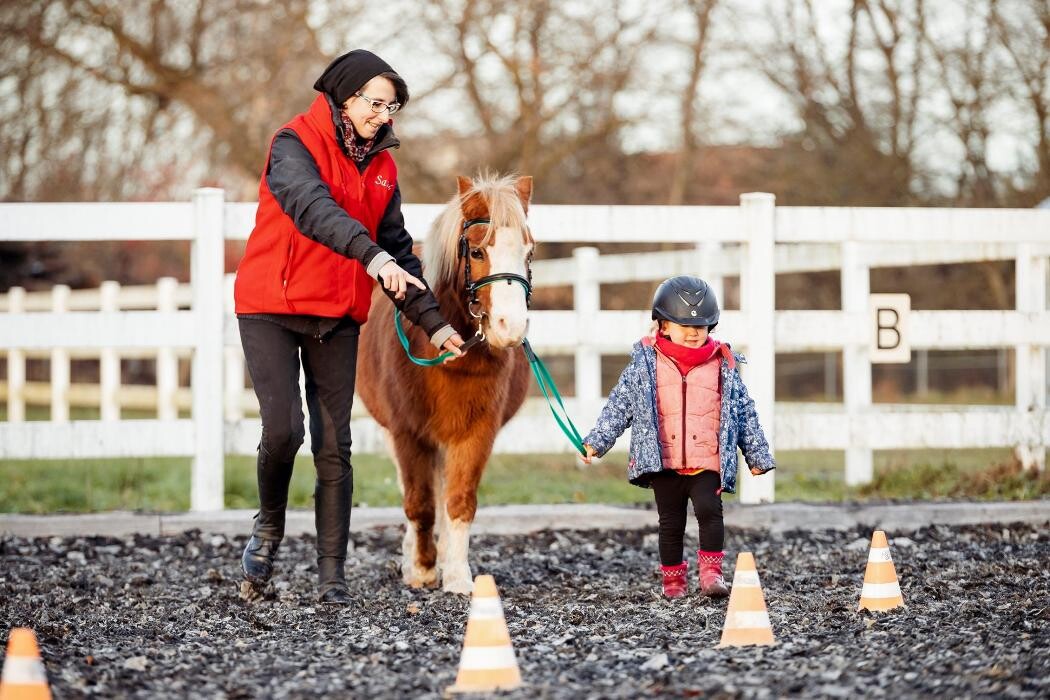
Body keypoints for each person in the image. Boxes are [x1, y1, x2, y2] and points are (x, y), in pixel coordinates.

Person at [232, 49, 465, 604]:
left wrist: (434, 323)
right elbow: (312, 208)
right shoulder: (292, 145)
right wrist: (371, 257)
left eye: (393, 107)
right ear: (343, 95)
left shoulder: (383, 166)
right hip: (272, 305)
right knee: (285, 430)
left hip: (336, 315)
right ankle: (268, 528)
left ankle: (331, 576)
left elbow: (398, 249)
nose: (384, 115)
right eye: (375, 102)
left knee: (335, 443)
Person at [580, 276, 774, 599]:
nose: (693, 331)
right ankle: (673, 582)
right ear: (663, 325)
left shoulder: (722, 364)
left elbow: (744, 410)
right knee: (670, 523)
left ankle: (711, 574)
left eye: (700, 325)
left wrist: (757, 456)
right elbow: (619, 405)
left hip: (706, 460)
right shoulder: (645, 365)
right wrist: (596, 442)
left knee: (710, 510)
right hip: (664, 459)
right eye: (683, 324)